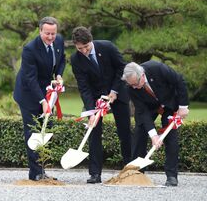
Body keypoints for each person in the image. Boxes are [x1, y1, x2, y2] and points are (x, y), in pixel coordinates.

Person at [70, 27, 132, 184]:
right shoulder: (76, 59)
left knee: (124, 132)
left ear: (91, 41)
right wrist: (91, 111)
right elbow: (83, 87)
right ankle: (95, 173)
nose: (84, 51)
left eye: (86, 47)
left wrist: (115, 90)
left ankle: (130, 170)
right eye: (80, 48)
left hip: (117, 94)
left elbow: (121, 67)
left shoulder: (107, 47)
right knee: (94, 133)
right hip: (95, 98)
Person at [13, 16, 66, 181]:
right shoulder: (30, 49)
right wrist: (42, 102)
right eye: (47, 34)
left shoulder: (58, 41)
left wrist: (58, 75)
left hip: (47, 90)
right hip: (28, 94)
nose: (50, 37)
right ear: (40, 31)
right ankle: (35, 173)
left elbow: (62, 60)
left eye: (53, 33)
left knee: (46, 128)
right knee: (33, 131)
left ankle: (43, 169)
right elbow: (30, 79)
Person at [122, 61, 189, 187]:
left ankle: (171, 176)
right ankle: (137, 172)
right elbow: (142, 111)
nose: (134, 87)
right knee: (140, 131)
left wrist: (183, 106)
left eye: (136, 83)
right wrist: (153, 135)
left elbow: (179, 81)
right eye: (131, 85)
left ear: (142, 75)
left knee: (171, 136)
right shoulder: (130, 86)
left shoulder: (157, 68)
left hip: (169, 102)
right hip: (148, 107)